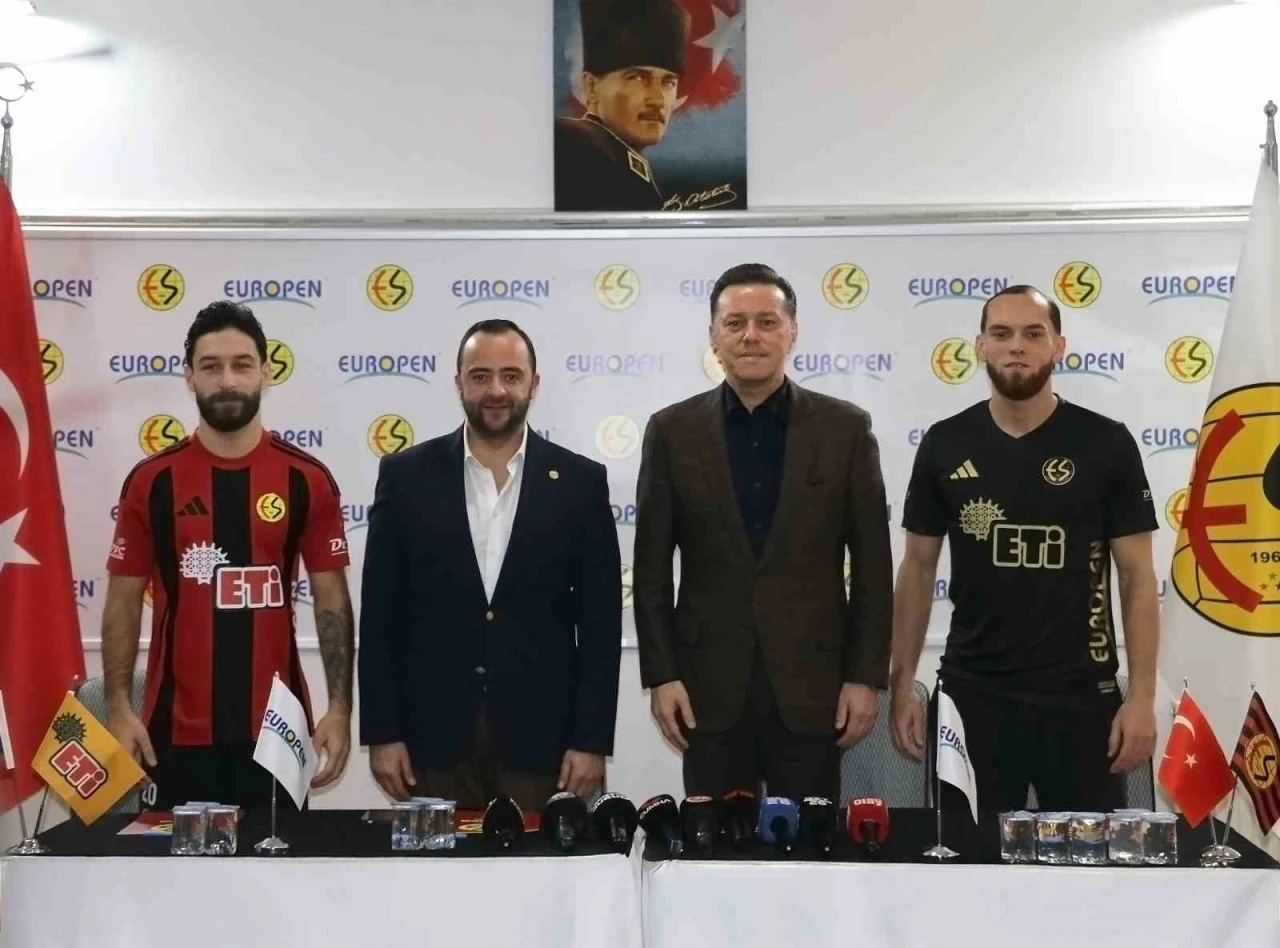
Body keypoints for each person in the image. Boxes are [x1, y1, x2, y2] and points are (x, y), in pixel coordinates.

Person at [890, 284, 1160, 815]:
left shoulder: (1106, 443)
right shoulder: (945, 443)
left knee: (1088, 864)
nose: (1016, 345)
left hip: (1082, 700)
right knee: (968, 860)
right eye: (1002, 333)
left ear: (1059, 346)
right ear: (980, 347)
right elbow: (918, 568)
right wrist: (902, 686)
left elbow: (1136, 577)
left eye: (1033, 333)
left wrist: (1143, 698)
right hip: (972, 695)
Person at [634, 263, 894, 802]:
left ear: (792, 332)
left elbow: (873, 566)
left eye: (767, 322)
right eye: (735, 323)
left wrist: (865, 677)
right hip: (706, 692)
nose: (750, 336)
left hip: (814, 691)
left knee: (809, 844)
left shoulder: (845, 429)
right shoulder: (671, 431)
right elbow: (651, 569)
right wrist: (661, 676)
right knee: (710, 846)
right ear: (713, 336)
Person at [359, 319, 622, 812]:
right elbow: (379, 617)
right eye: (480, 376)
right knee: (438, 866)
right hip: (429, 742)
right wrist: (382, 732)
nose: (496, 390)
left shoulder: (581, 483)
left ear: (534, 384)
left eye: (511, 376)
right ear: (458, 382)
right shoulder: (405, 476)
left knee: (542, 866)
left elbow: (601, 626)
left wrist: (591, 740)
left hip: (545, 744)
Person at [103, 301, 354, 808]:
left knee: (278, 862)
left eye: (242, 365)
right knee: (173, 862)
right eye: (211, 366)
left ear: (266, 372)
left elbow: (331, 599)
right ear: (189, 377)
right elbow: (124, 600)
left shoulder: (306, 479)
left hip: (278, 731)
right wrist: (117, 707)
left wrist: (340, 709)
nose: (227, 380)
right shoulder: (152, 482)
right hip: (173, 731)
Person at [554, 0, 689, 211]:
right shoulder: (576, 147)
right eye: (637, 78)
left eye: (668, 82)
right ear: (591, 87)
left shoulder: (618, 159)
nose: (658, 100)